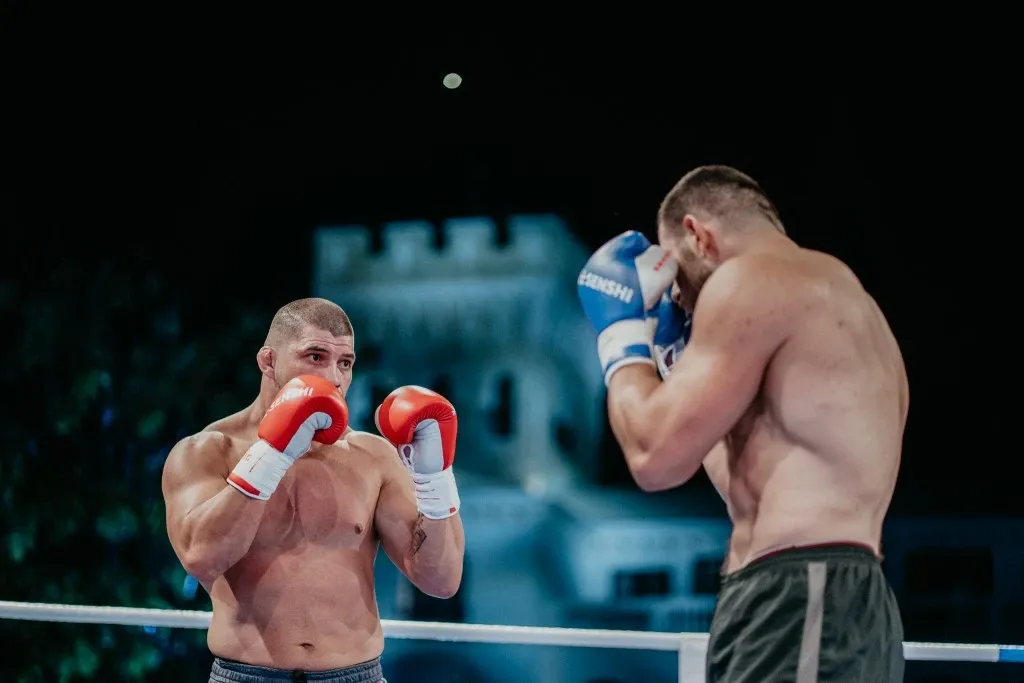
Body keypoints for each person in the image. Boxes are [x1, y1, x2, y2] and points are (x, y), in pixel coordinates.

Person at [577, 166, 907, 682]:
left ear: (698, 236)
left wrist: (620, 336)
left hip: (799, 599)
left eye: (677, 279)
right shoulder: (855, 312)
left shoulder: (751, 281)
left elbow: (651, 458)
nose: (679, 299)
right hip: (822, 599)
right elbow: (725, 481)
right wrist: (671, 356)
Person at [161, 298, 465, 683]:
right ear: (268, 361)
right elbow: (201, 559)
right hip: (245, 675)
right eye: (316, 357)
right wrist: (271, 454)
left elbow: (441, 580)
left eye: (345, 363)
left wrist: (434, 479)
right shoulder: (208, 452)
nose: (334, 378)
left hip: (356, 675)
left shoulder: (373, 458)